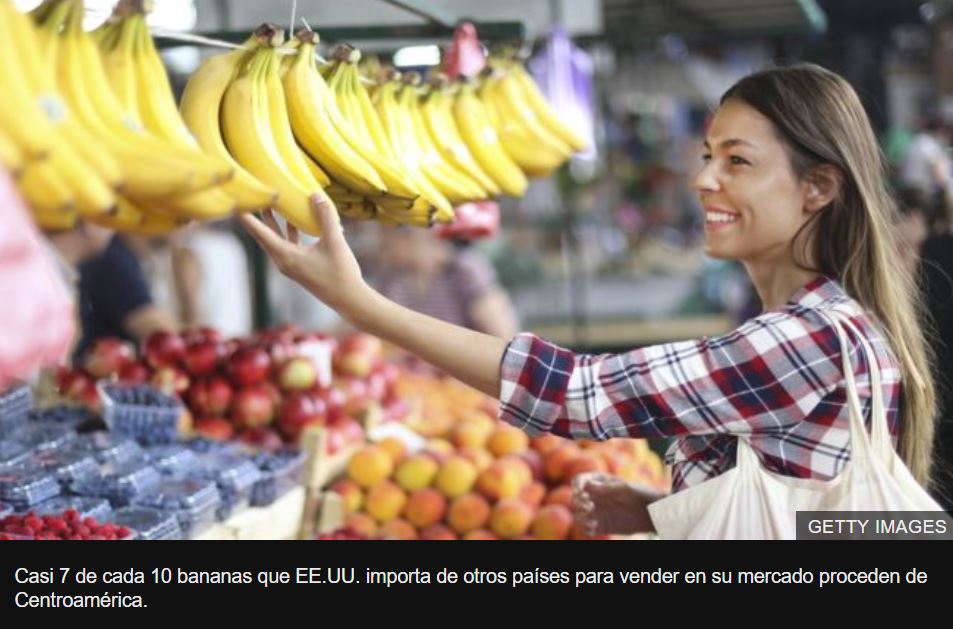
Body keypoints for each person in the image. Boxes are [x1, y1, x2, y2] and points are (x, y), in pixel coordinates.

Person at [239, 63, 939, 535]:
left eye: (737, 161)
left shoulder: (802, 338)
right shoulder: (843, 325)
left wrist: (361, 305)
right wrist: (668, 510)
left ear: (816, 188)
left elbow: (577, 393)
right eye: (706, 154)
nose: (703, 179)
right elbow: (832, 522)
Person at [369, 227, 518, 340]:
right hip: (411, 377)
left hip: (462, 373)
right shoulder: (390, 277)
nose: (381, 244)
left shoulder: (465, 271)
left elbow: (502, 336)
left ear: (412, 236)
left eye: (386, 237)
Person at [74, 234, 177, 360]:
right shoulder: (113, 258)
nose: (189, 226)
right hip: (99, 370)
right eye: (184, 219)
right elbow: (158, 331)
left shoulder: (129, 256)